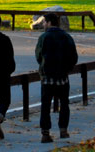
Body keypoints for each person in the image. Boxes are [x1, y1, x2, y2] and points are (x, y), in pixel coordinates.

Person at [35, 12, 78, 143]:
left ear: (49, 23)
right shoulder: (66, 37)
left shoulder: (44, 37)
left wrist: (43, 67)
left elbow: (38, 55)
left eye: (44, 22)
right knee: (64, 104)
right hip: (63, 77)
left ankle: (45, 133)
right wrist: (67, 68)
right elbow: (73, 57)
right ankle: (63, 130)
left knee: (45, 105)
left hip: (47, 78)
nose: (43, 24)